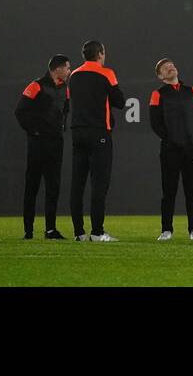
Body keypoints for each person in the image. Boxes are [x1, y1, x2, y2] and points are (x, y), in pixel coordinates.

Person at [68, 40, 125, 242]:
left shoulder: (73, 75)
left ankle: (79, 233)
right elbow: (120, 101)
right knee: (99, 184)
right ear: (100, 53)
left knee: (77, 184)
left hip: (77, 132)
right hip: (99, 131)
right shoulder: (106, 73)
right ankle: (97, 232)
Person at [15, 54, 71, 240]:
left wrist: (60, 128)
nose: (69, 71)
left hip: (56, 144)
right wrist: (34, 131)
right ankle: (28, 231)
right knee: (32, 187)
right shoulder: (36, 86)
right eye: (67, 68)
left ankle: (50, 230)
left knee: (53, 188)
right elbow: (20, 111)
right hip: (37, 144)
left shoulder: (65, 89)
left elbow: (66, 111)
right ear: (57, 69)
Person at [150, 58, 193, 241]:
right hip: (170, 150)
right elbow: (155, 123)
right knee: (169, 192)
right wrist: (171, 138)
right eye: (165, 68)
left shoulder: (191, 91)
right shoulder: (158, 94)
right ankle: (167, 230)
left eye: (172, 65)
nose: (170, 68)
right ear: (160, 76)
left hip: (192, 149)